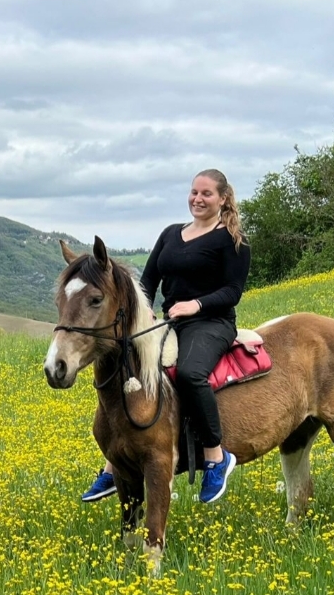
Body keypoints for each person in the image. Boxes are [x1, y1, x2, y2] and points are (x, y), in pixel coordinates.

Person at [80, 169, 250, 505]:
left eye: (207, 194)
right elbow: (147, 283)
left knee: (189, 373)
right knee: (126, 371)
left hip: (211, 323)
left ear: (223, 198)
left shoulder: (232, 240)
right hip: (170, 321)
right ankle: (114, 465)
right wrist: (144, 312)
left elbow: (233, 291)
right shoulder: (171, 234)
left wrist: (196, 305)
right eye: (194, 192)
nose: (198, 199)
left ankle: (216, 456)